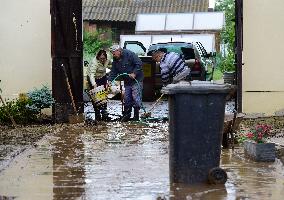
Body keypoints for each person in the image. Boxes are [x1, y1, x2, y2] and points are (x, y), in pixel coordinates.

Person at [108, 45, 144, 122]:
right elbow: (113, 71)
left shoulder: (129, 54)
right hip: (127, 81)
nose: (113, 55)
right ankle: (127, 116)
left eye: (114, 53)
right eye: (112, 53)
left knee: (136, 98)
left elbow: (139, 63)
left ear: (119, 51)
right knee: (127, 98)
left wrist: (134, 73)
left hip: (136, 80)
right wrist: (110, 81)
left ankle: (136, 117)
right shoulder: (115, 59)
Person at [87, 49, 111, 121]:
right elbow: (91, 75)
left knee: (103, 94)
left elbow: (111, 64)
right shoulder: (95, 63)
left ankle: (104, 113)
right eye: (101, 59)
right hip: (93, 78)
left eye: (104, 58)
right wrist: (94, 84)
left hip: (103, 76)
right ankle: (97, 114)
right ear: (98, 57)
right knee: (96, 96)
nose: (102, 60)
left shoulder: (108, 58)